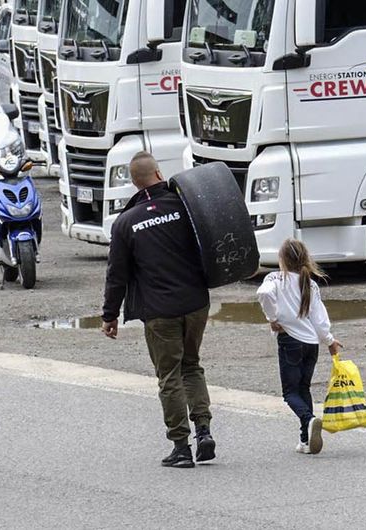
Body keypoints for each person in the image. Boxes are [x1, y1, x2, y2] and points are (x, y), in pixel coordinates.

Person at [101, 151, 216, 469]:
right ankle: (203, 432)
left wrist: (110, 315)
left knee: (169, 376)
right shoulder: (186, 206)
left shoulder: (126, 222)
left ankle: (181, 447)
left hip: (159, 311)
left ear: (134, 184)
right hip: (196, 303)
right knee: (191, 366)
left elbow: (117, 274)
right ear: (158, 173)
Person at [257, 239, 343, 455]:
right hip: (311, 344)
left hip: (289, 341)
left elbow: (264, 294)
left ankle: (309, 419)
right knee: (304, 388)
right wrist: (330, 341)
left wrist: (272, 317)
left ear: (282, 259)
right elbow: (319, 319)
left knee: (289, 392)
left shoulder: (275, 278)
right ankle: (305, 440)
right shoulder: (310, 284)